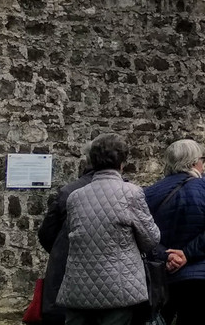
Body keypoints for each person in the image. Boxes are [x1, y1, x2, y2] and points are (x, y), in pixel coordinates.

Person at [57, 133, 162, 325]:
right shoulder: (132, 193)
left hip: (79, 288)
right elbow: (151, 239)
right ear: (122, 162)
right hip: (118, 289)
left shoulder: (75, 197)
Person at [145, 139, 205, 325]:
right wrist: (187, 254)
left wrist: (166, 255)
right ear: (194, 162)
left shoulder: (149, 193)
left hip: (165, 277)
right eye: (203, 159)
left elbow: (143, 234)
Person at [37, 149, 95, 325]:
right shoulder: (128, 192)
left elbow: (47, 234)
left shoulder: (68, 191)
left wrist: (62, 252)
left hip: (67, 274)